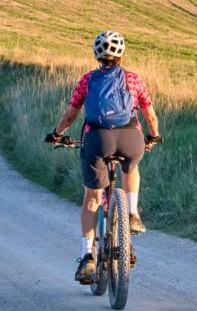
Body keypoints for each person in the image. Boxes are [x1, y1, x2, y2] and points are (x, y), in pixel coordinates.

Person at [45, 30, 161, 284]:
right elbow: (150, 116)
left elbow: (70, 116)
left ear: (97, 54)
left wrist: (56, 134)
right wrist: (153, 136)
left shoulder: (87, 80)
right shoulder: (133, 79)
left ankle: (87, 256)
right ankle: (131, 213)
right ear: (121, 54)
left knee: (92, 196)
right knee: (130, 168)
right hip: (131, 138)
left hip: (97, 139)